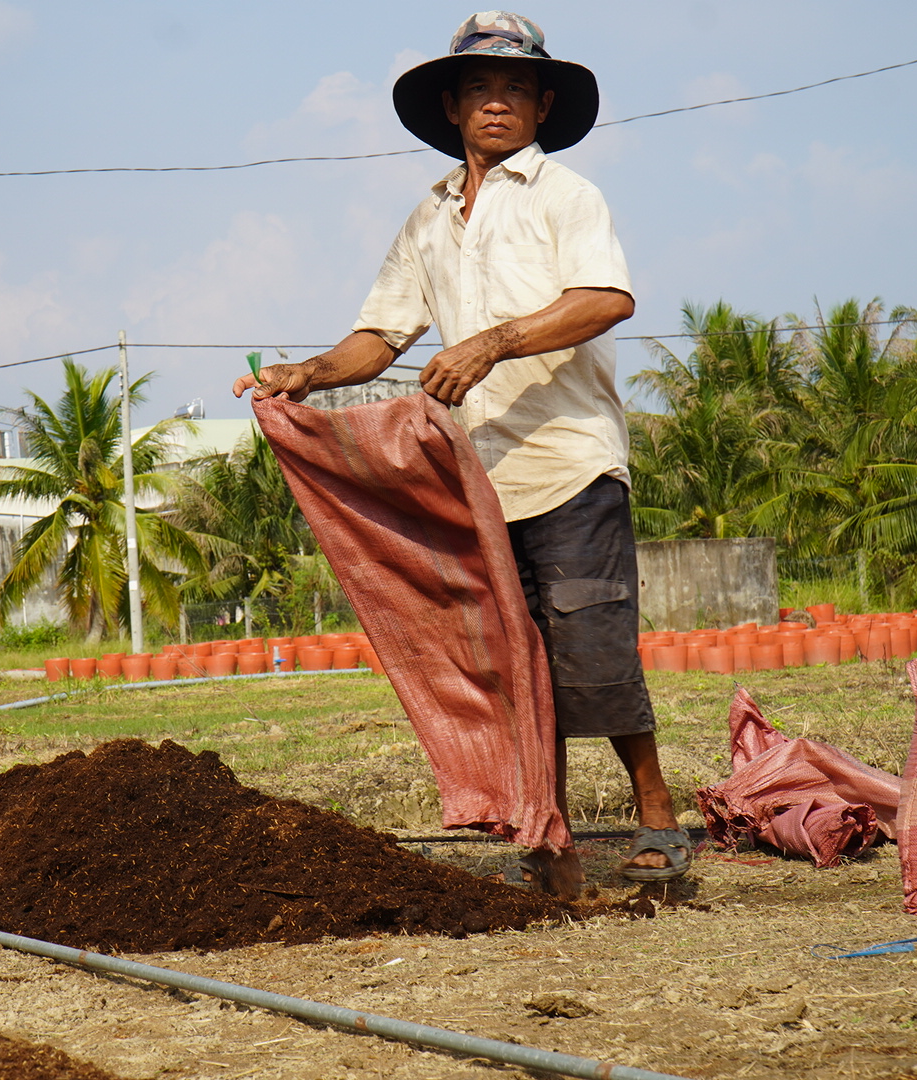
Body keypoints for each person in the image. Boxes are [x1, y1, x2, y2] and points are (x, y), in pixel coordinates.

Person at [234, 11, 689, 898]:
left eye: (516, 88)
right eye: (480, 87)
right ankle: (550, 845)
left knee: (591, 650)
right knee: (512, 668)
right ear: (451, 105)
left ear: (543, 103)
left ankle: (660, 821)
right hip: (481, 482)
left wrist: (490, 342)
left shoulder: (566, 196)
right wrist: (309, 374)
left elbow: (605, 300)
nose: (498, 103)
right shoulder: (430, 218)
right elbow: (381, 333)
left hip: (570, 462)